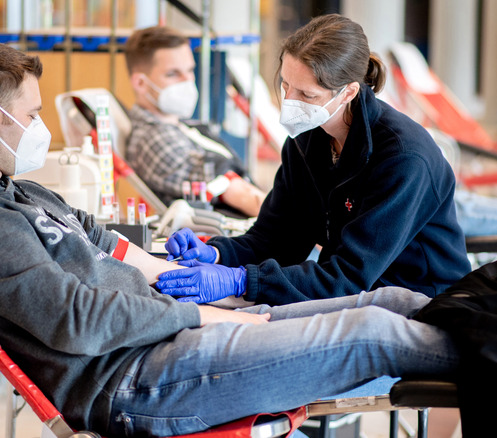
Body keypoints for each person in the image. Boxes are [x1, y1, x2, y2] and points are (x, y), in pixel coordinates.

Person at [0, 39, 460, 437]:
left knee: (390, 301)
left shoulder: (21, 194)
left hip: (162, 336)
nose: (42, 126)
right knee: (369, 332)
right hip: (133, 377)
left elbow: (110, 245)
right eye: (35, 113)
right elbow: (79, 319)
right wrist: (209, 313)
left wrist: (194, 264)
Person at [158, 14, 471, 306]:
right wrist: (215, 253)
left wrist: (241, 280)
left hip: (419, 302)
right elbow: (276, 239)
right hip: (350, 295)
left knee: (247, 328)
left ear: (348, 92)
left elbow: (348, 277)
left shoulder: (403, 157)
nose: (290, 103)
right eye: (285, 85)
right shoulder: (308, 139)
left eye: (307, 96)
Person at [124, 26, 266, 217]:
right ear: (140, 83)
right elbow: (240, 194)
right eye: (173, 74)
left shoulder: (179, 125)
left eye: (190, 70)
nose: (187, 81)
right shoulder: (154, 139)